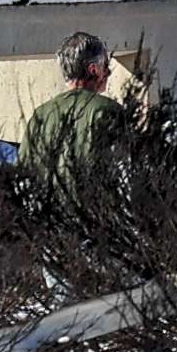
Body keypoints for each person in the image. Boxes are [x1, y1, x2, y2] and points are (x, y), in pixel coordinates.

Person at [15, 36, 134, 218]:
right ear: (93, 69)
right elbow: (126, 173)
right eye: (106, 69)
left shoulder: (41, 114)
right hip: (97, 224)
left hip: (48, 226)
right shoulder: (107, 111)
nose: (107, 74)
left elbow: (24, 175)